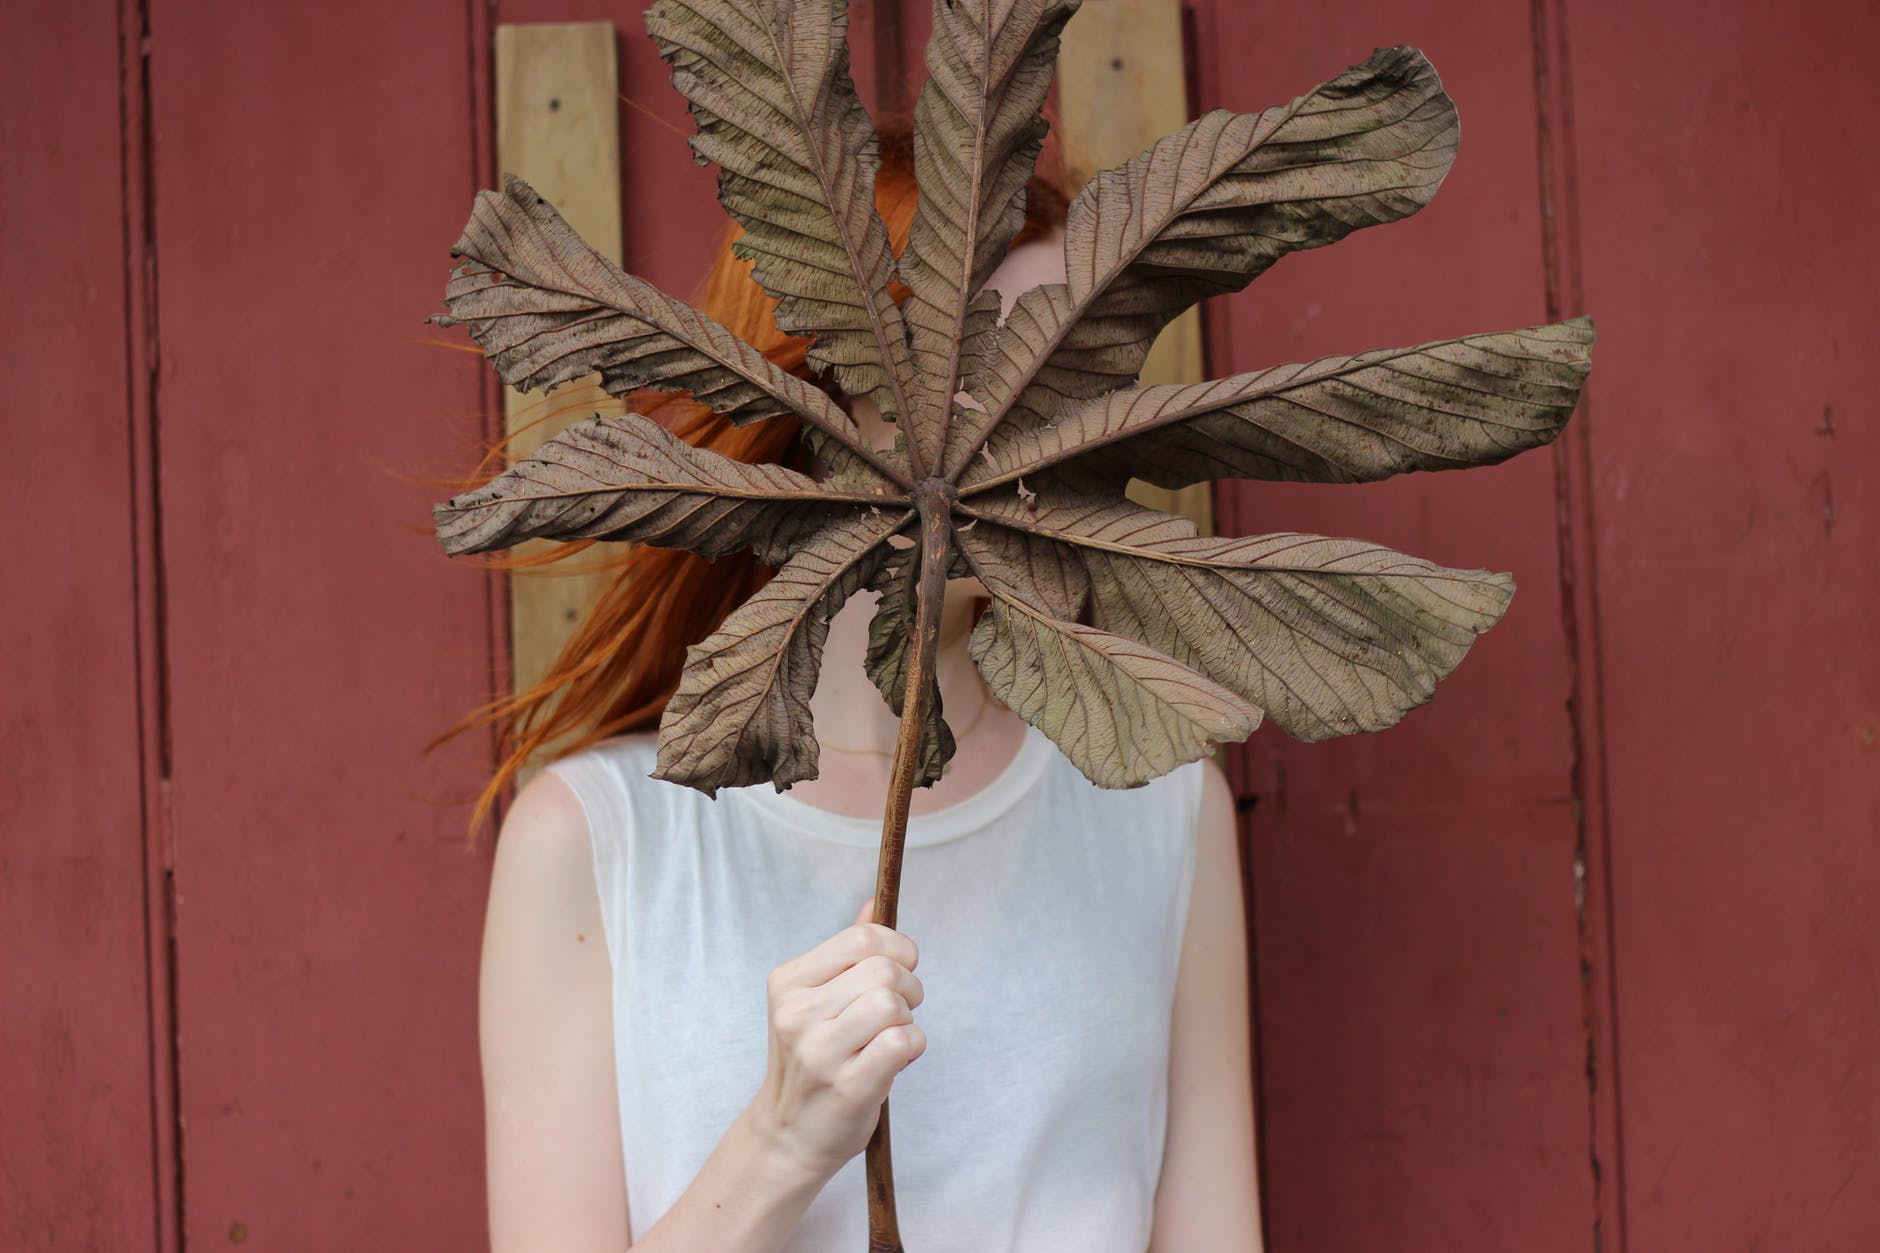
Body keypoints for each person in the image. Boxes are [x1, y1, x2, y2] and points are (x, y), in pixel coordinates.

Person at [468, 132, 1263, 1251]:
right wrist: (782, 1142)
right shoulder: (596, 838)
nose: (1045, 425)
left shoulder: (1157, 804)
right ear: (815, 380)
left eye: (1077, 371)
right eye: (989, 366)